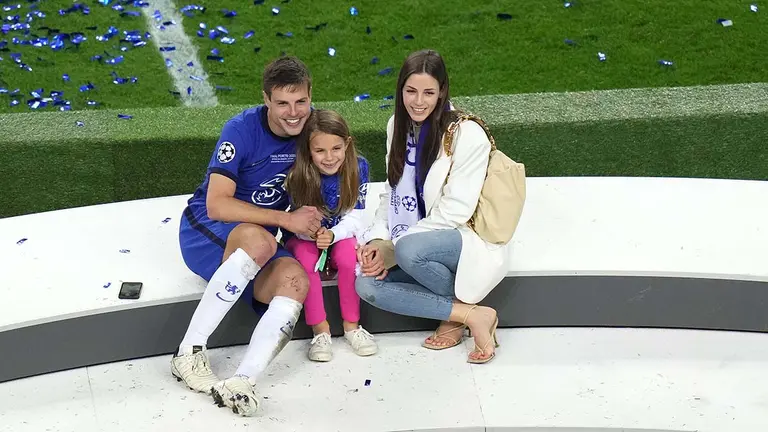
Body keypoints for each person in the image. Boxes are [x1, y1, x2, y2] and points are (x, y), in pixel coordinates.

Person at [173, 56, 323, 417]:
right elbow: (217, 205)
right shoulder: (240, 130)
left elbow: (341, 170)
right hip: (204, 231)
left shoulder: (314, 126)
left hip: (258, 238)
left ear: (310, 96)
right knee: (262, 242)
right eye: (282, 103)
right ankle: (188, 354)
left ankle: (243, 381)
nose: (293, 112)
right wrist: (285, 220)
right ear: (266, 100)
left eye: (301, 101)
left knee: (295, 281)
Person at [355, 49, 511, 364]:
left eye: (429, 92)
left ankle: (454, 319)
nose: (418, 101)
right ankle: (470, 315)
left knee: (411, 251)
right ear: (400, 91)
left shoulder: (467, 134)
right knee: (366, 284)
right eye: (411, 91)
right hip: (415, 238)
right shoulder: (395, 126)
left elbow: (457, 210)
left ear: (442, 92)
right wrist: (377, 240)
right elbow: (392, 191)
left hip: (460, 236)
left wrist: (395, 246)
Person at [283, 109, 378, 362]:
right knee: (306, 261)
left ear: (347, 144)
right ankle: (320, 329)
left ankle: (352, 326)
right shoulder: (297, 174)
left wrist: (333, 235)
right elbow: (291, 218)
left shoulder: (359, 167)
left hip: (338, 233)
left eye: (336, 148)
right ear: (308, 150)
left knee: (348, 258)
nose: (329, 158)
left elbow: (355, 215)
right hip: (305, 238)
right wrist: (312, 234)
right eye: (320, 151)